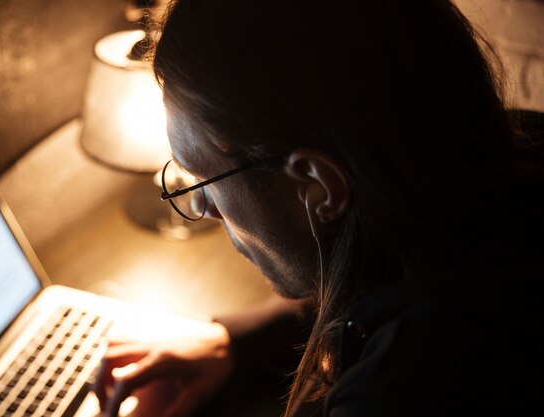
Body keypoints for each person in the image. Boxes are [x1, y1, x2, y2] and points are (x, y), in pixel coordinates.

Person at [93, 1, 544, 416]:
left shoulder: (403, 389)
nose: (200, 204)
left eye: (203, 179)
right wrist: (232, 341)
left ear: (317, 184)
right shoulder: (509, 144)